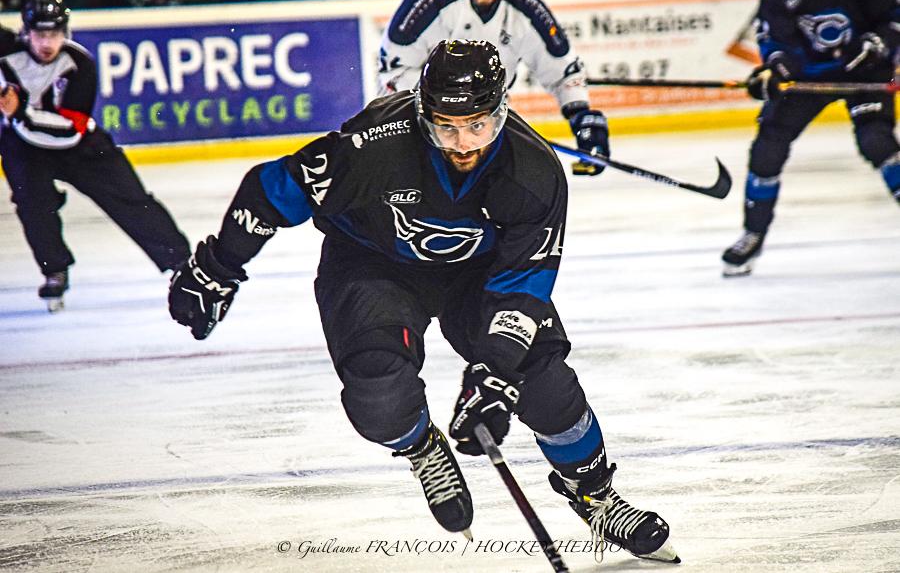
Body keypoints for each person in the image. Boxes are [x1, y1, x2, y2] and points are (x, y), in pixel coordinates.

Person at [168, 39, 679, 563]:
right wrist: (218, 267)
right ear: (422, 112)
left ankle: (594, 494)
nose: (463, 143)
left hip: (477, 278)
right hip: (372, 263)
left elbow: (523, 286)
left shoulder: (533, 171)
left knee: (543, 382)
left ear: (502, 109)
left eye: (478, 125)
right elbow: (274, 189)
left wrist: (495, 372)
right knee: (379, 400)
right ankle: (421, 446)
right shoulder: (372, 145)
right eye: (446, 126)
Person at [0, 0, 190, 311]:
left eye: (54, 34)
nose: (47, 43)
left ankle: (182, 261)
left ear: (65, 32)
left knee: (131, 199)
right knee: (33, 204)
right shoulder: (7, 52)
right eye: (39, 34)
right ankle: (54, 269)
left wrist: (21, 112)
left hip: (79, 146)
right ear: (25, 32)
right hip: (24, 149)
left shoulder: (80, 64)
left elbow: (70, 130)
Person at [722, 0, 900, 276]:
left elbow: (893, 17)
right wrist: (775, 70)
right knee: (768, 148)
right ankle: (753, 233)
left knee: (876, 141)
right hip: (808, 76)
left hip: (865, 71)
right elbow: (775, 39)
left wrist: (878, 43)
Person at [377, 0, 611, 178]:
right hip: (426, 123)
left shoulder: (525, 8)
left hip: (486, 126)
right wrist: (449, 110)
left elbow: (563, 70)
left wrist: (582, 116)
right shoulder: (428, 3)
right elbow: (394, 74)